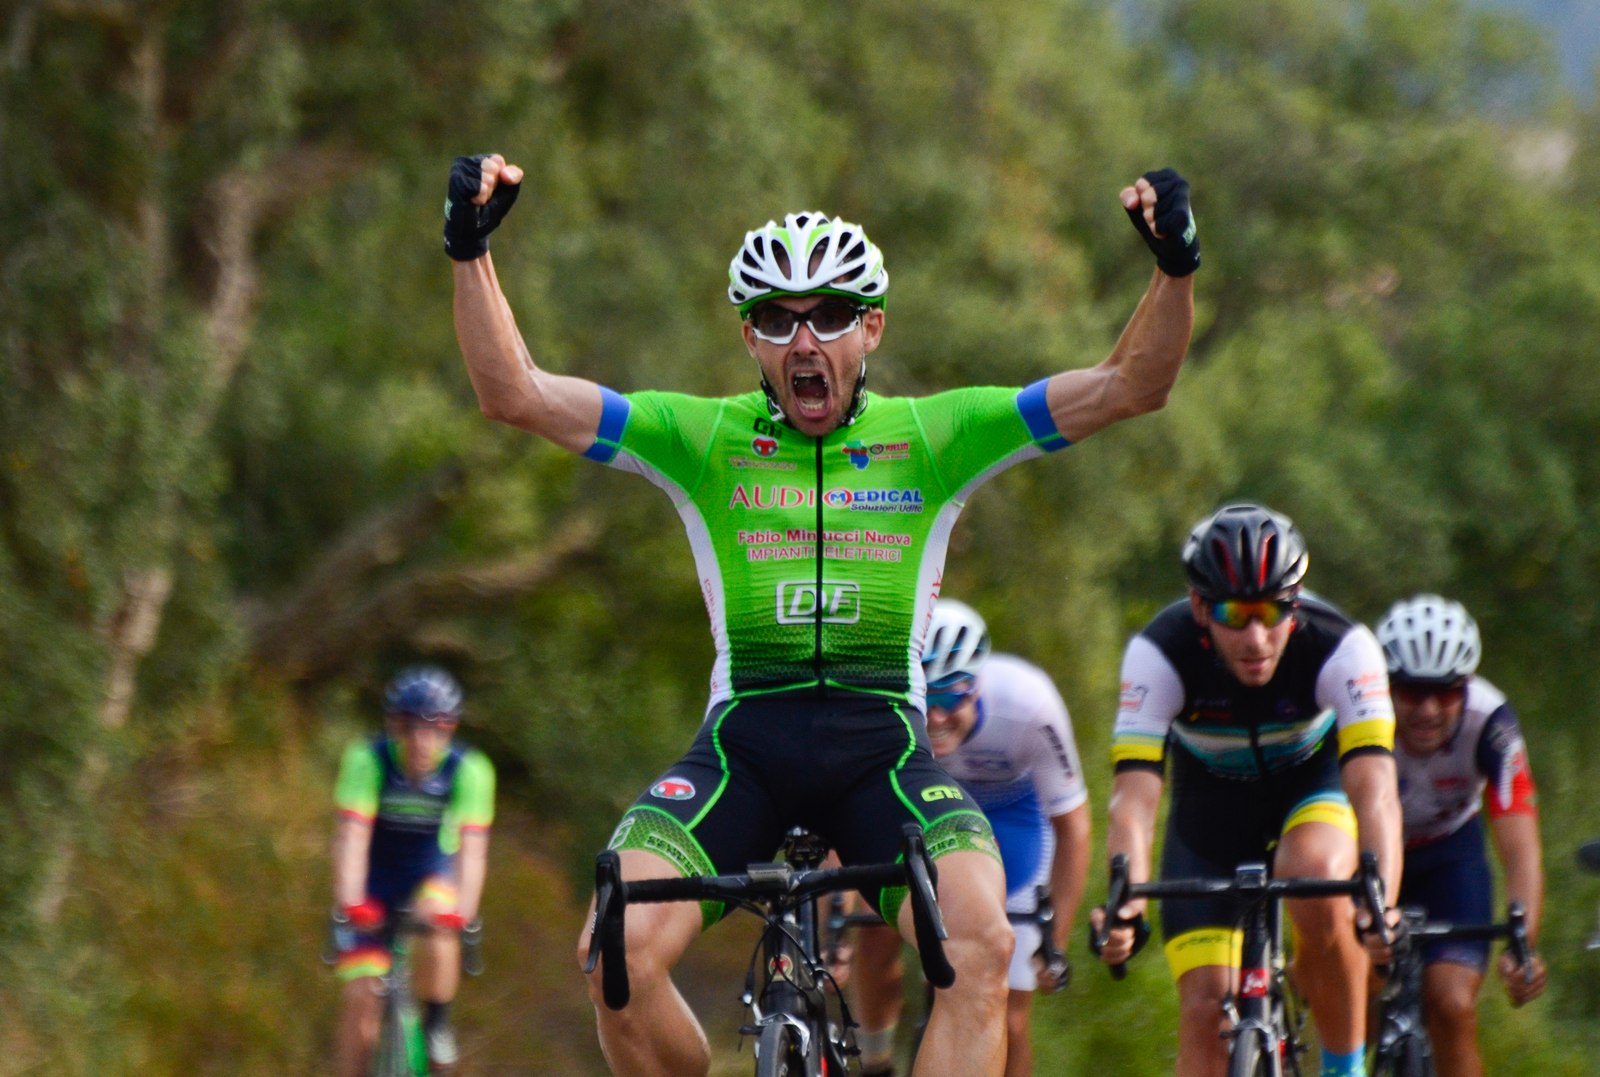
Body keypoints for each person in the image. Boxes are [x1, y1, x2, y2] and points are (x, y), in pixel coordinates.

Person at [446, 150, 1198, 1077]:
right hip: (743, 750)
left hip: (881, 752)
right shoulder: (701, 438)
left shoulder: (935, 436)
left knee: (982, 945)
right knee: (613, 947)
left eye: (830, 315)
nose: (804, 341)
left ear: (871, 326)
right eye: (777, 319)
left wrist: (1173, 270)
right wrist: (470, 252)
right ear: (750, 338)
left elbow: (1131, 385)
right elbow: (514, 392)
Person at [1091, 502, 1403, 1077]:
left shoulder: (1342, 646)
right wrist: (1126, 902)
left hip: (1309, 785)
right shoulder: (1160, 652)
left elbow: (1377, 793)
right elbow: (1132, 802)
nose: (1256, 638)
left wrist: (1378, 904)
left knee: (1312, 874)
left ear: (1295, 602)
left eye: (1272, 611)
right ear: (1199, 608)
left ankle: (1344, 1068)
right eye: (1234, 614)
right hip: (1210, 811)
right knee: (1205, 1010)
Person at [849, 597, 1090, 1077]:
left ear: (976, 686)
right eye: (925, 702)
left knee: (1009, 1016)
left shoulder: (1028, 702)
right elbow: (848, 815)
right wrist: (838, 918)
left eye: (949, 699)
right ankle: (874, 1062)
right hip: (919, 822)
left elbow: (1074, 827)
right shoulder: (883, 712)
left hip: (1011, 832)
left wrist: (1055, 940)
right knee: (872, 934)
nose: (936, 719)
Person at [1373, 594, 1546, 1076]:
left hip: (1449, 857)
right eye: (1412, 692)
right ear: (1387, 687)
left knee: (1451, 1004)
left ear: (1466, 687)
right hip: (1368, 856)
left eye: (1446, 693)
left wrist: (1522, 946)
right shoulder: (1359, 711)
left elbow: (1522, 852)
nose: (1428, 709)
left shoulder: (1492, 723)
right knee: (1355, 996)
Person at [330, 665, 496, 1077]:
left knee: (439, 919)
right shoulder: (368, 759)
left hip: (430, 876)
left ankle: (437, 1023)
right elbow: (352, 836)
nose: (421, 741)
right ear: (393, 727)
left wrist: (464, 911)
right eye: (408, 728)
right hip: (373, 883)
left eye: (436, 729)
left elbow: (472, 851)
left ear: (450, 729)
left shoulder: (469, 769)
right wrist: (351, 900)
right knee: (361, 997)